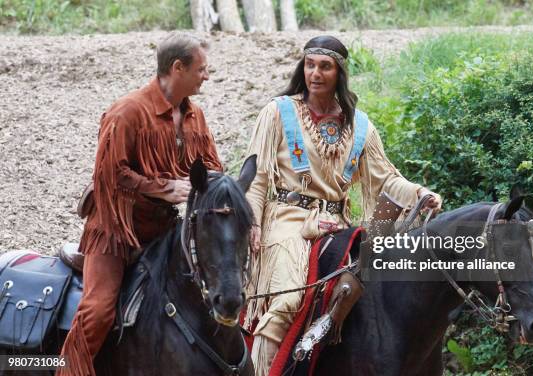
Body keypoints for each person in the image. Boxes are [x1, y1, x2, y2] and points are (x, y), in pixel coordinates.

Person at [243, 35, 442, 376]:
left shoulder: (359, 125)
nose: (315, 73)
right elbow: (258, 177)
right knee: (288, 301)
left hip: (337, 225)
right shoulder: (277, 112)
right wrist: (253, 223)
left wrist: (420, 193)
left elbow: (385, 179)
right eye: (310, 65)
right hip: (286, 221)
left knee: (374, 292)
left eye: (325, 66)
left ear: (339, 72)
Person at [58, 32, 223, 376]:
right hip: (114, 231)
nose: (207, 76)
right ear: (178, 68)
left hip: (164, 229)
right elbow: (110, 176)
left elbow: (212, 168)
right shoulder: (127, 112)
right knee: (99, 310)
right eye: (202, 69)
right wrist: (163, 188)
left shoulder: (195, 117)